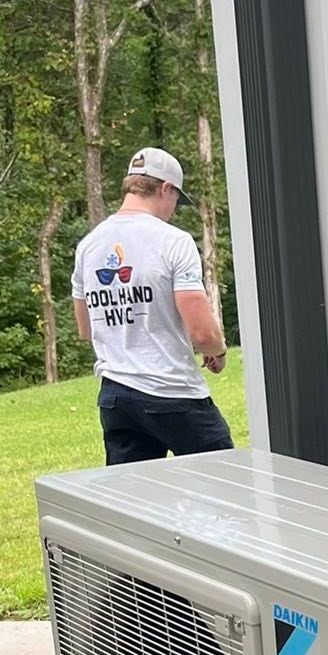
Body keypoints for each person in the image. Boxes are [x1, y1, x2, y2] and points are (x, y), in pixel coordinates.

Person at [71, 144, 234, 464]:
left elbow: (86, 329)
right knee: (225, 486)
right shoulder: (173, 241)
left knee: (134, 503)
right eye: (175, 199)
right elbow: (202, 334)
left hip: (116, 399)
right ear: (165, 188)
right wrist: (218, 351)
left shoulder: (88, 246)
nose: (174, 207)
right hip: (174, 394)